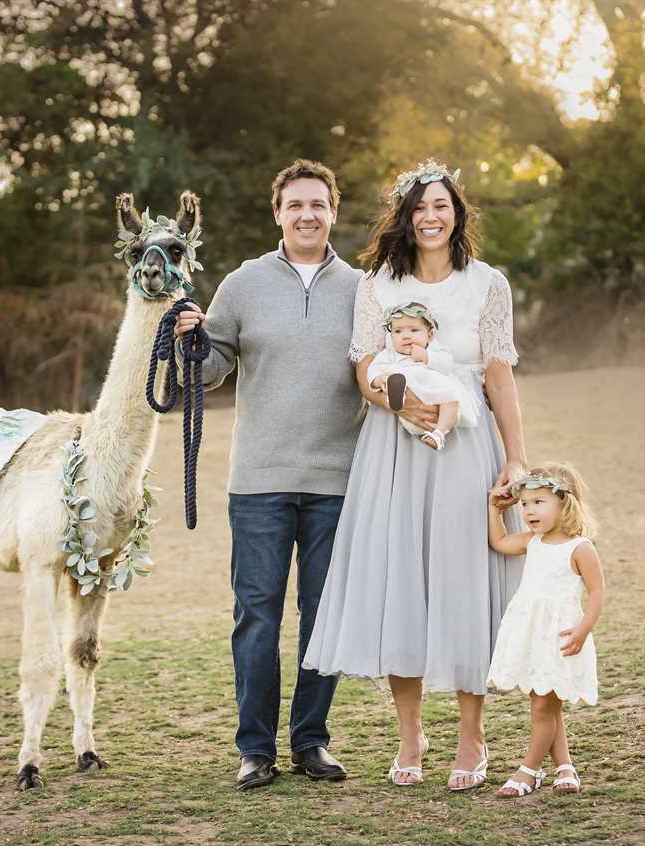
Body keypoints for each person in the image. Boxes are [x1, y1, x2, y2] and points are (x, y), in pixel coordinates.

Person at [173, 160, 403, 791]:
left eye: (318, 205)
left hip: (337, 480)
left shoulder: (363, 289)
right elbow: (212, 366)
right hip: (258, 483)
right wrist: (191, 340)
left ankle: (311, 741)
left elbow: (382, 366)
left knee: (322, 616)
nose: (307, 215)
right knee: (256, 616)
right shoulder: (243, 284)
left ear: (333, 212)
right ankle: (255, 749)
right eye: (295, 204)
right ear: (277, 212)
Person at [301, 158, 529, 793]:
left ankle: (471, 732)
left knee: (462, 581)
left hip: (466, 447)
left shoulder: (488, 284)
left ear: (457, 216)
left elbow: (499, 375)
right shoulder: (378, 284)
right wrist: (399, 402)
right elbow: (364, 368)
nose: (431, 218)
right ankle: (409, 735)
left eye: (442, 207)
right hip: (395, 448)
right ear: (404, 218)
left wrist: (515, 455)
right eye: (419, 209)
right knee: (399, 577)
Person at [485, 463, 605, 798]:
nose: (529, 510)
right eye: (525, 503)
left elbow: (596, 591)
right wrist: (494, 509)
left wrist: (584, 628)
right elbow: (499, 541)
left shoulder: (580, 548)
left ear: (564, 504)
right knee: (546, 703)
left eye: (539, 502)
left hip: (560, 638)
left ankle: (529, 771)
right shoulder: (533, 542)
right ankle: (564, 766)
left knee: (543, 707)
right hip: (531, 634)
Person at [366, 301, 479, 450]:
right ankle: (397, 398)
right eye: (398, 332)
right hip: (409, 396)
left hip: (434, 392)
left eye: (413, 330)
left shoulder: (435, 349)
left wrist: (427, 356)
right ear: (391, 336)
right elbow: (374, 370)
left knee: (452, 399)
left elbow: (447, 365)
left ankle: (439, 433)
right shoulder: (389, 355)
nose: (405, 336)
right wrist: (380, 379)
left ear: (430, 335)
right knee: (393, 381)